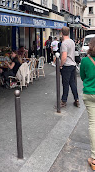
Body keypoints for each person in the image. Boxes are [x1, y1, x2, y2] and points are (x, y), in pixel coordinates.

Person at [80, 37, 95, 170]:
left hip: (89, 93)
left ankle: (94, 157)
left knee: (92, 123)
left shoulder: (85, 60)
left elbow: (82, 76)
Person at [60, 26, 79, 108]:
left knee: (65, 84)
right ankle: (76, 99)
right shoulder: (72, 41)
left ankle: (64, 101)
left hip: (67, 66)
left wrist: (60, 65)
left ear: (61, 33)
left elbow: (64, 56)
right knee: (72, 83)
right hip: (73, 65)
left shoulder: (64, 43)